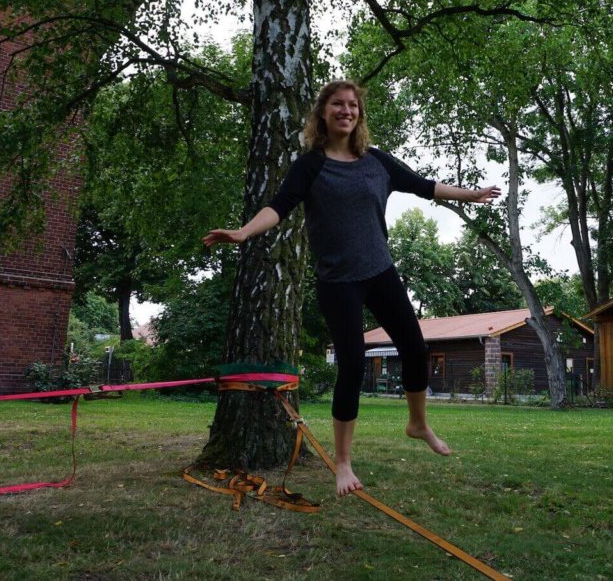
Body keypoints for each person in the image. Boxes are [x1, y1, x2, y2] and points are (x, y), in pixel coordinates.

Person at [202, 80, 500, 496]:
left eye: (353, 105)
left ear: (359, 114)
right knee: (353, 364)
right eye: (338, 105)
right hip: (338, 282)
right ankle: (343, 463)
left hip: (380, 271)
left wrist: (473, 194)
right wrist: (244, 232)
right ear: (323, 113)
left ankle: (417, 423)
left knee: (416, 349)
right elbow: (279, 206)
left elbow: (425, 186)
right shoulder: (310, 165)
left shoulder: (376, 161)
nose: (346, 110)